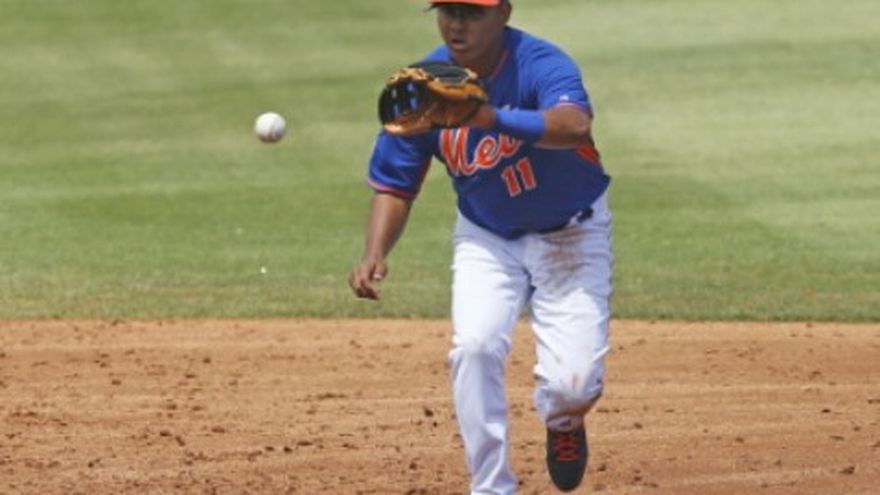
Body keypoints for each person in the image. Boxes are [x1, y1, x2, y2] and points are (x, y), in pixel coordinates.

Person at [349, 0, 612, 493]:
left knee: (572, 386)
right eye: (447, 10)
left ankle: (563, 421)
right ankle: (491, 487)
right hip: (487, 237)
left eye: (471, 12)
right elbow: (395, 184)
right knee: (474, 348)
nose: (456, 23)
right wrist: (375, 251)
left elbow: (575, 126)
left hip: (571, 233)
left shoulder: (540, 63)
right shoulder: (423, 87)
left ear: (503, 14)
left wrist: (490, 118)